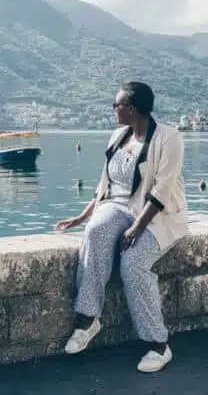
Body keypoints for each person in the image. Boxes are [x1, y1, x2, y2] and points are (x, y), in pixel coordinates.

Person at [55, 81, 188, 373]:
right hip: (118, 206)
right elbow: (106, 185)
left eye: (116, 105)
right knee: (95, 232)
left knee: (133, 262)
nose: (113, 110)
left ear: (131, 109)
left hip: (157, 214)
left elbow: (162, 191)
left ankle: (158, 345)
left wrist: (137, 229)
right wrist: (82, 217)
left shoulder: (169, 138)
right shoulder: (117, 136)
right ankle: (89, 319)